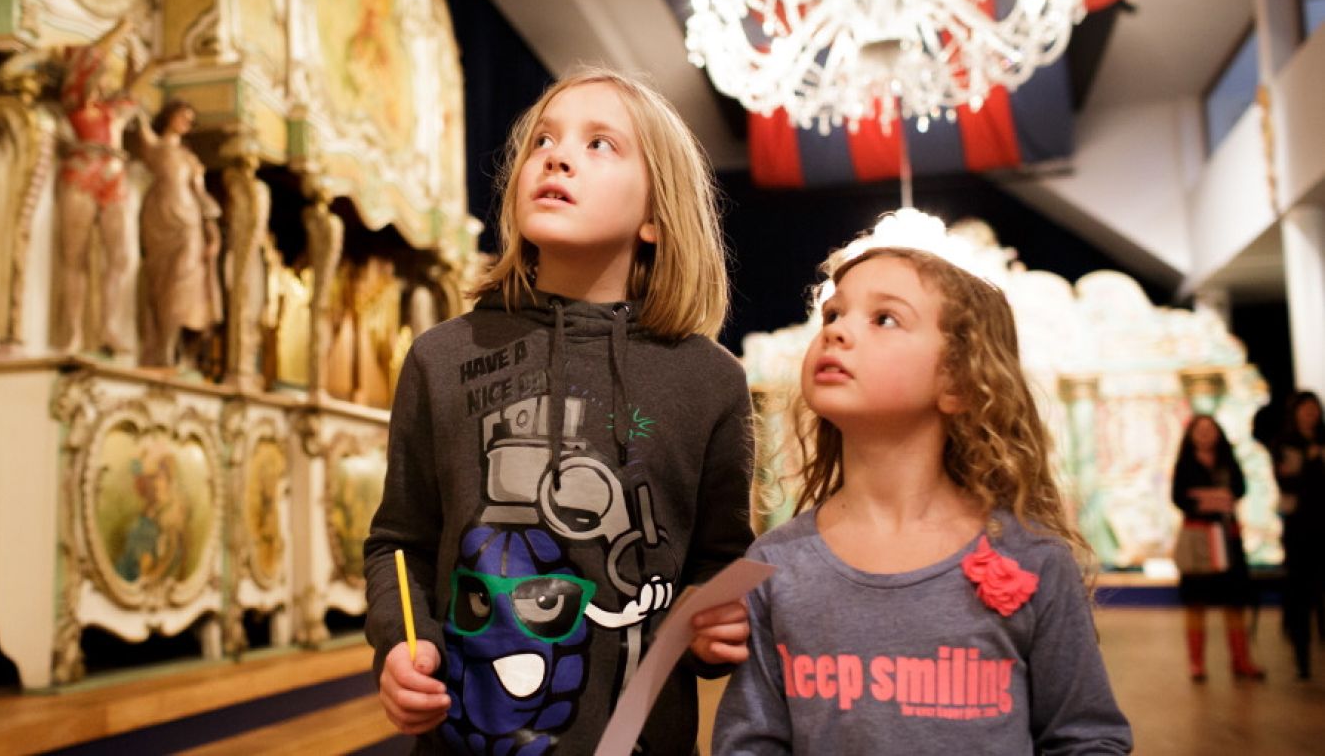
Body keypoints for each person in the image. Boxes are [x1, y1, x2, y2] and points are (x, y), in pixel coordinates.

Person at [362, 68, 754, 754]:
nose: (557, 154)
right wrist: (402, 644)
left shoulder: (710, 381)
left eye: (600, 143)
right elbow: (399, 542)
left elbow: (719, 562)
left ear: (656, 217)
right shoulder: (440, 356)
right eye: (542, 139)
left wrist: (714, 632)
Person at [713, 216, 1132, 754]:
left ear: (958, 380)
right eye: (834, 314)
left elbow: (1087, 737)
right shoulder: (775, 563)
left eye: (884, 318)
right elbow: (749, 742)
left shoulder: (1033, 559)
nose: (837, 330)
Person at [53, 18, 154, 354]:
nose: (107, 75)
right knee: (75, 256)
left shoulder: (114, 111)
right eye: (103, 70)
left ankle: (110, 326)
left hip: (115, 174)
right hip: (83, 170)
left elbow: (139, 85)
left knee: (122, 256)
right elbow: (90, 57)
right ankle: (73, 334)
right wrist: (123, 29)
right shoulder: (77, 101)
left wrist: (138, 54)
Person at [1171, 413, 1266, 681]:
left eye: (1209, 429)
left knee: (1235, 600)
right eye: (1199, 429)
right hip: (1198, 541)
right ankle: (1197, 664)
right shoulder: (1185, 464)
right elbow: (1180, 497)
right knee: (1196, 601)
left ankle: (1241, 660)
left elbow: (1238, 490)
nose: (1205, 434)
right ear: (1191, 435)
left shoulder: (1227, 461)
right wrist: (1215, 498)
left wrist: (1204, 497)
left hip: (1227, 537)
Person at [134, 99, 224, 369]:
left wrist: (213, 234)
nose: (186, 122)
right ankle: (158, 343)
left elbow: (202, 197)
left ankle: (171, 348)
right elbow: (136, 107)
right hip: (158, 217)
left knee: (184, 282)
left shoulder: (189, 159)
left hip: (188, 222)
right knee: (158, 281)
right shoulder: (154, 145)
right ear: (169, 116)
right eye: (182, 115)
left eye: (190, 119)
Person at [1273, 390, 1324, 679]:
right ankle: (1302, 658)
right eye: (1304, 408)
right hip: (1300, 528)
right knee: (1301, 593)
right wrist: (1309, 459)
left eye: (1313, 408)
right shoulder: (1285, 444)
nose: (1310, 413)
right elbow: (1286, 482)